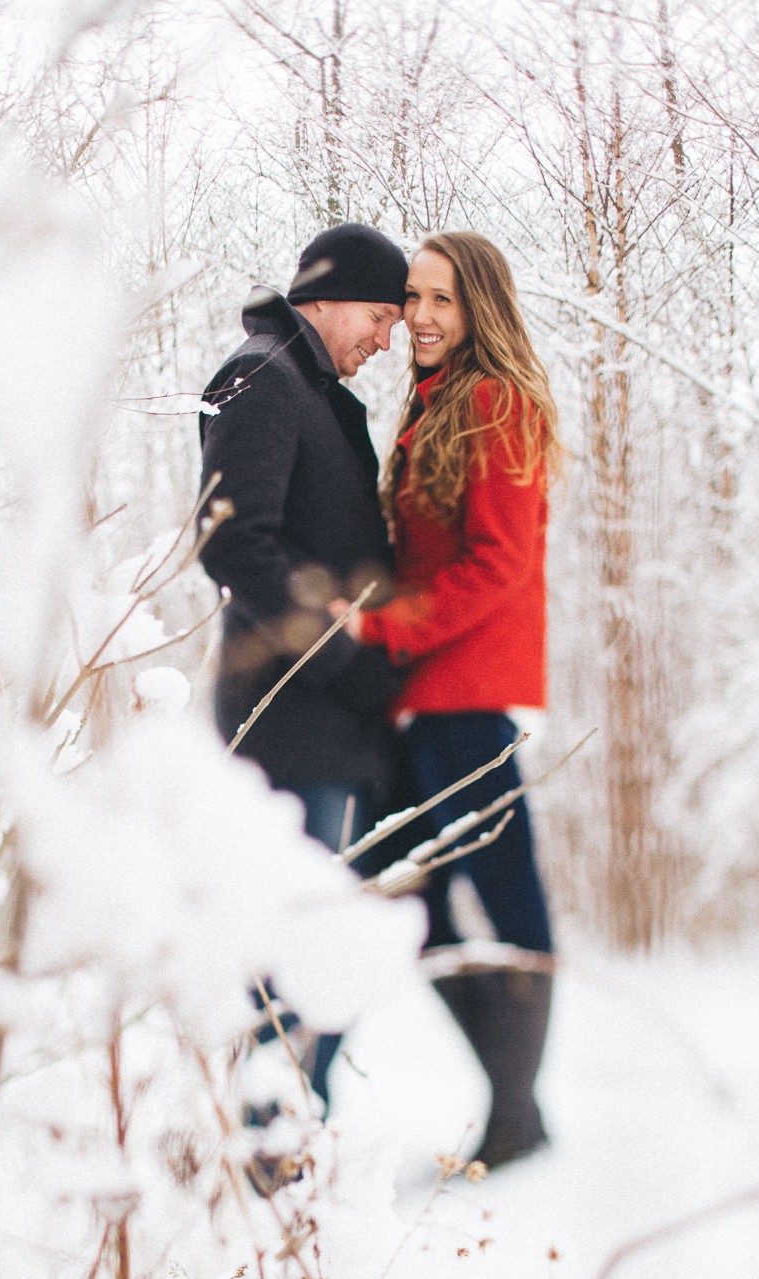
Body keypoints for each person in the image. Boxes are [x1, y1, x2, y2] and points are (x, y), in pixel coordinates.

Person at [342, 230, 566, 1167]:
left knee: (503, 890)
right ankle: (517, 1105)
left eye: (443, 300)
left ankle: (517, 1111)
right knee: (396, 888)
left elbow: (500, 564)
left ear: (478, 308)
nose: (423, 317)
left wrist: (384, 627)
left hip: (464, 694)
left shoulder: (496, 402)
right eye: (414, 299)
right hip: (418, 698)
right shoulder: (433, 405)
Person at [197, 222, 407, 1108]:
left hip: (329, 724)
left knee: (328, 949)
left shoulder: (305, 384)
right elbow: (234, 543)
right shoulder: (263, 377)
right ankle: (266, 1154)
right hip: (288, 722)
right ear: (324, 294)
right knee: (292, 952)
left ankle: (290, 1144)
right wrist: (342, 657)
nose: (387, 337)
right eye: (379, 314)